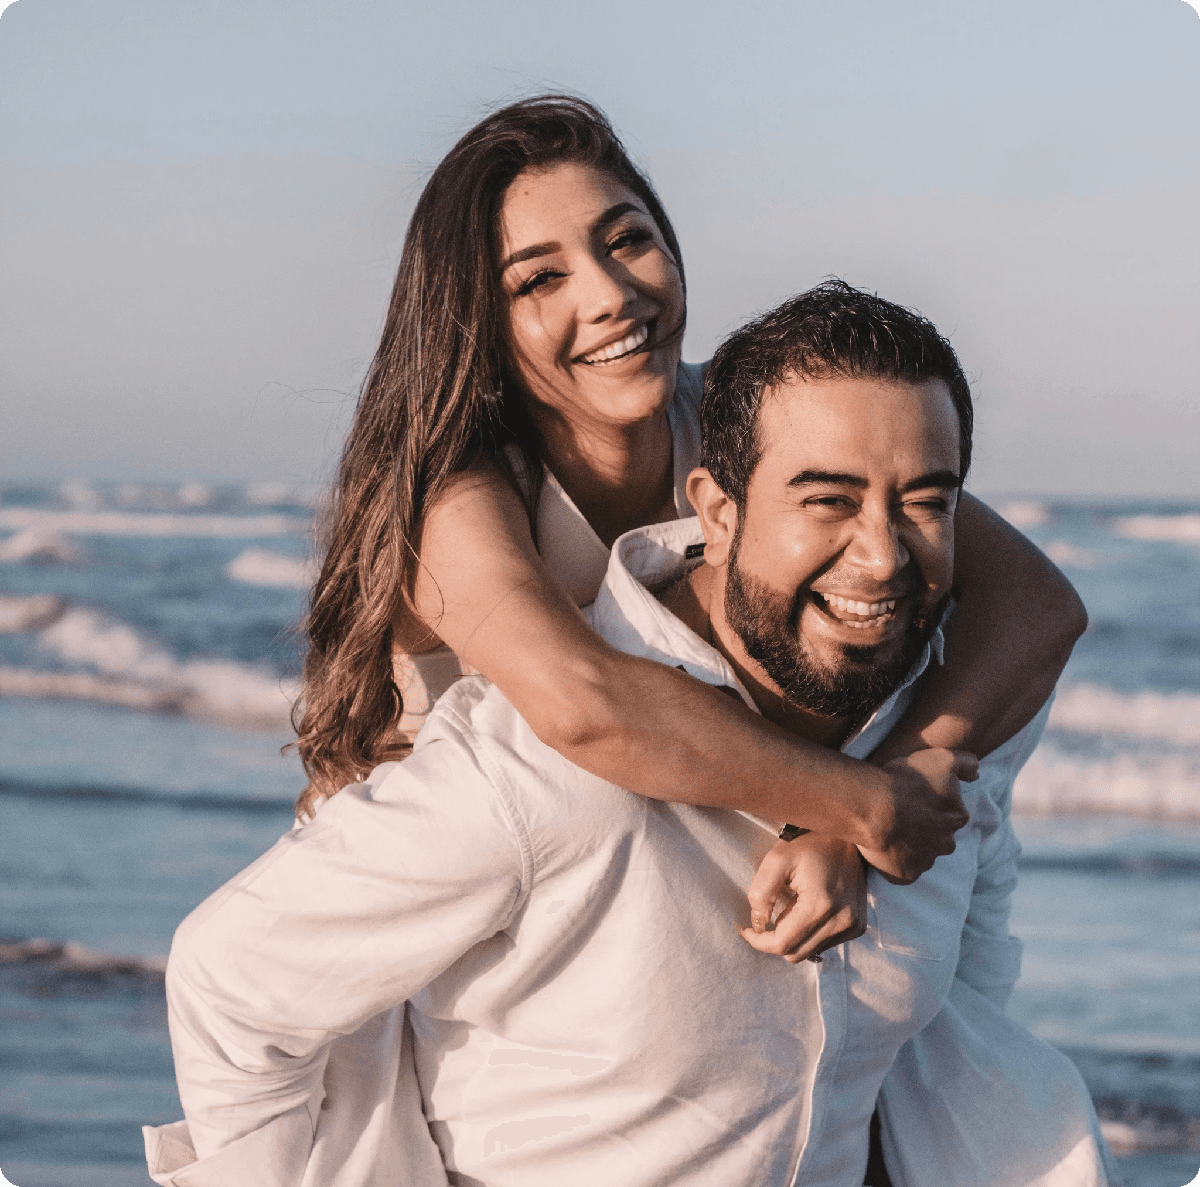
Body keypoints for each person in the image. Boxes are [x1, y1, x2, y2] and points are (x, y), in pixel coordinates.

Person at [144, 283, 1117, 1186]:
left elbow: (965, 1005)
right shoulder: (533, 777)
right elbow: (229, 983)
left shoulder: (947, 727)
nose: (880, 555)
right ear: (717, 512)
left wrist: (851, 820)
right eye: (825, 499)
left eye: (925, 501)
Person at [292, 96, 1086, 933]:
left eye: (626, 238)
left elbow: (1036, 605)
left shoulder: (735, 417)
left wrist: (899, 775)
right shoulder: (462, 492)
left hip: (616, 883)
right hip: (410, 903)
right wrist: (861, 804)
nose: (610, 294)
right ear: (480, 318)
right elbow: (583, 704)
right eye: (541, 277)